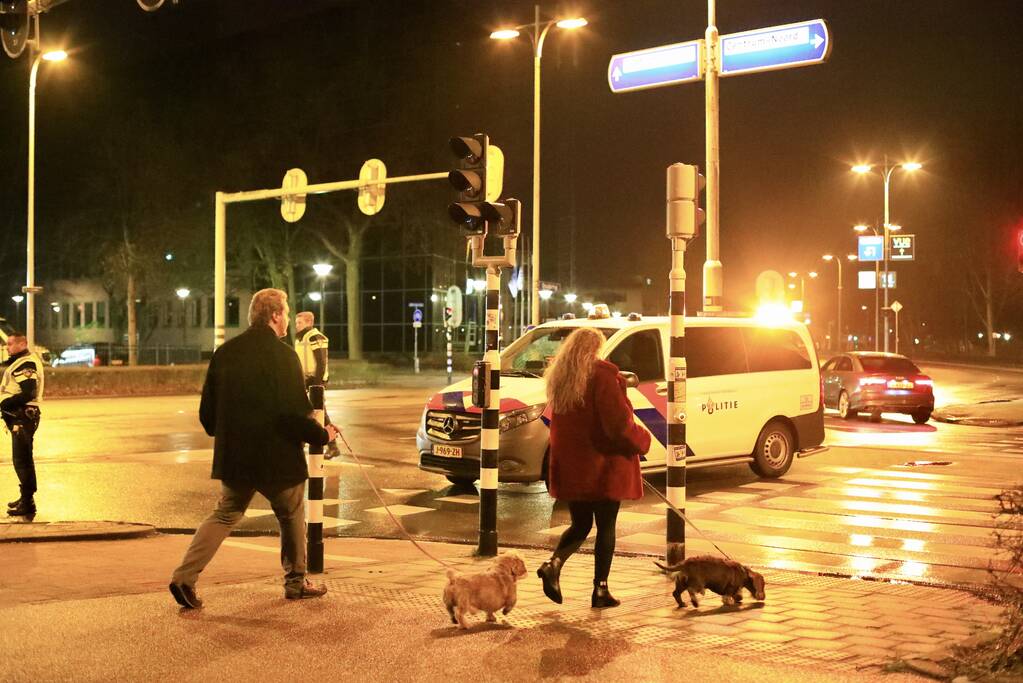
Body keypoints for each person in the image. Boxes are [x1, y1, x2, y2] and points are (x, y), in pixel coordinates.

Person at [169, 288, 339, 609]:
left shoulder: (226, 353)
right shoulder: (284, 356)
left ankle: (184, 577)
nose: (288, 318)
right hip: (277, 458)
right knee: (290, 515)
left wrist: (230, 434)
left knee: (225, 514)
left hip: (236, 456)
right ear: (275, 315)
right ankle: (295, 581)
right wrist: (321, 435)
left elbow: (207, 415)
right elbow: (291, 414)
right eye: (286, 312)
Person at [536, 327, 651, 609]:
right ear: (596, 349)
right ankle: (600, 590)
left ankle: (554, 563)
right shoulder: (602, 376)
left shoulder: (561, 379)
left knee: (580, 524)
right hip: (604, 467)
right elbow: (617, 426)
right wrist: (641, 441)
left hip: (574, 467)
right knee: (606, 526)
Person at [3, 333, 44, 518]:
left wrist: (4, 404)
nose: (8, 347)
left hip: (23, 418)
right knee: (23, 459)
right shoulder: (20, 361)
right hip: (22, 417)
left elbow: (28, 392)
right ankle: (25, 498)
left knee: (22, 461)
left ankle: (27, 502)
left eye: (11, 343)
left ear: (22, 344)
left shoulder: (26, 363)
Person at [294, 311, 342, 459]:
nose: (296, 326)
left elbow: (320, 361)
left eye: (299, 323)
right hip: (305, 381)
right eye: (296, 323)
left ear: (309, 322)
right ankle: (302, 444)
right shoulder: (300, 338)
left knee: (319, 414)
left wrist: (317, 383)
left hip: (315, 382)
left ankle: (331, 445)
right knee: (308, 412)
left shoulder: (315, 337)